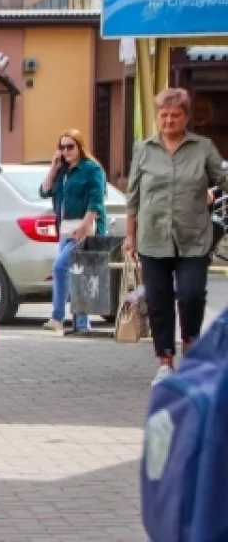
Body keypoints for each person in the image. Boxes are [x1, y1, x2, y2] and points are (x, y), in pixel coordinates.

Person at [124, 87, 228, 384]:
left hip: (193, 237)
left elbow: (223, 179)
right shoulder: (143, 149)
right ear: (158, 117)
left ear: (186, 117)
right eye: (164, 115)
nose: (169, 121)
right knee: (159, 299)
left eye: (175, 115)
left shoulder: (203, 148)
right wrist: (130, 236)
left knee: (191, 294)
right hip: (152, 237)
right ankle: (166, 361)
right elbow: (133, 197)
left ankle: (191, 348)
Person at [40, 128, 108, 335]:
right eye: (62, 147)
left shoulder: (92, 169)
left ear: (80, 147)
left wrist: (85, 226)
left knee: (60, 267)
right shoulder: (62, 171)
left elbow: (96, 202)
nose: (66, 151)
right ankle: (81, 326)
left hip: (84, 228)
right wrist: (53, 167)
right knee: (79, 275)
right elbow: (44, 191)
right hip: (66, 229)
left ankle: (57, 317)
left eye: (70, 146)